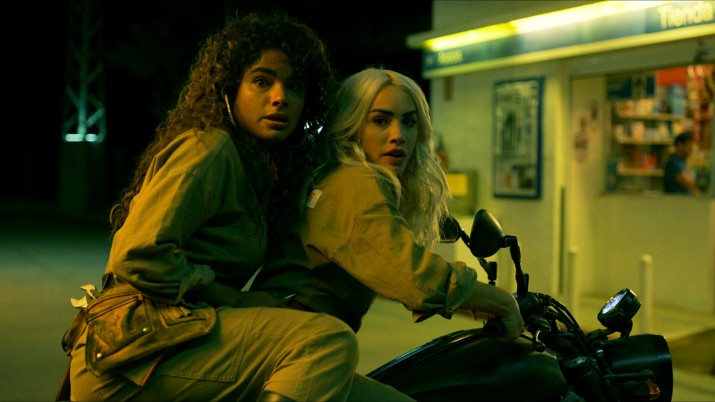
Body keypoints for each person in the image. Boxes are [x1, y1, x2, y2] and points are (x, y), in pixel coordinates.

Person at [60, 13, 359, 402]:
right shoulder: (211, 149)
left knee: (360, 390)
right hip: (133, 359)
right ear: (229, 89)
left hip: (185, 342)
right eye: (262, 81)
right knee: (327, 341)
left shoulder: (259, 169)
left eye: (295, 85)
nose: (280, 97)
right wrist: (225, 294)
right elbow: (136, 255)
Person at [250, 67, 525, 400]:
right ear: (352, 126)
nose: (398, 135)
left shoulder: (334, 178)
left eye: (409, 122)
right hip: (296, 352)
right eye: (380, 121)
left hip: (290, 345)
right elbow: (411, 274)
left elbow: (391, 263)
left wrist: (470, 300)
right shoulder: (357, 183)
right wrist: (502, 301)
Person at [664, 131, 701, 195]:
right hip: (677, 200)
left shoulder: (681, 161)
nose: (691, 149)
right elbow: (690, 184)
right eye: (689, 146)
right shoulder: (673, 163)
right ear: (680, 145)